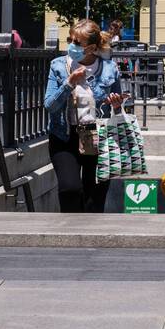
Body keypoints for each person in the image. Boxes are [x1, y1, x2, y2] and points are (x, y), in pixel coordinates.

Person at [43, 20, 125, 213]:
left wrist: (117, 105)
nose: (72, 45)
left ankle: (90, 238)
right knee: (70, 189)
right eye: (70, 40)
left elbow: (120, 108)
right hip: (64, 135)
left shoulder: (109, 68)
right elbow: (50, 105)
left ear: (92, 48)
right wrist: (69, 83)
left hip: (98, 137)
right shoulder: (58, 66)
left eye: (77, 43)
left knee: (94, 197)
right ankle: (70, 237)